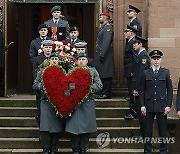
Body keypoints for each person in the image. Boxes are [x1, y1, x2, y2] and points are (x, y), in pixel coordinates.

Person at [65, 52, 103, 154]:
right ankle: (75, 149)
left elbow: (99, 85)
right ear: (76, 62)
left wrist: (86, 89)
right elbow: (66, 85)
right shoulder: (71, 71)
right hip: (74, 104)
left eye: (83, 59)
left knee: (85, 129)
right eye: (79, 60)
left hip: (87, 104)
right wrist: (73, 91)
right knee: (74, 128)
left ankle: (83, 149)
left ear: (87, 61)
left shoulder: (92, 71)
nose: (81, 61)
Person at [140, 50, 173, 154]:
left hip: (162, 106)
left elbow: (170, 90)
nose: (156, 61)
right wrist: (142, 105)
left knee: (162, 130)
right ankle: (147, 151)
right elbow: (141, 90)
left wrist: (168, 105)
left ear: (161, 60)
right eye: (154, 59)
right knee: (147, 131)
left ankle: (163, 150)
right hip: (148, 105)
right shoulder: (145, 73)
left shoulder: (165, 72)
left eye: (158, 59)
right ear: (151, 60)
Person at [32, 52, 64, 154]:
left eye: (56, 59)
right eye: (52, 59)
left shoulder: (62, 72)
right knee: (45, 127)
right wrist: (43, 86)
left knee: (56, 126)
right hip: (45, 102)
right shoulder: (42, 72)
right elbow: (35, 85)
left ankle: (54, 149)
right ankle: (45, 149)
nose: (54, 61)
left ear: (58, 61)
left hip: (57, 103)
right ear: (49, 60)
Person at [132, 36, 150, 138]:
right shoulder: (140, 55)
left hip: (141, 89)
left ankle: (143, 134)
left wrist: (137, 89)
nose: (134, 45)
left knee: (142, 113)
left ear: (140, 44)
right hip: (140, 88)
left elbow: (141, 75)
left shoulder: (143, 57)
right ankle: (142, 133)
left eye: (135, 43)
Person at [33, 40, 54, 126]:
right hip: (41, 91)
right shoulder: (37, 59)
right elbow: (35, 74)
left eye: (49, 47)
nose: (48, 49)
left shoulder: (55, 58)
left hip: (53, 91)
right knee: (41, 113)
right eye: (46, 47)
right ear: (43, 48)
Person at [95, 11, 115, 99]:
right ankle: (103, 92)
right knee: (103, 73)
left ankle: (106, 93)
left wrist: (102, 54)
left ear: (104, 17)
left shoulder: (108, 28)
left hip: (105, 54)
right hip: (102, 53)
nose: (99, 18)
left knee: (106, 73)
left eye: (101, 17)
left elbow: (106, 42)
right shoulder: (103, 27)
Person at [123, 25, 138, 120]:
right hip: (129, 71)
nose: (124, 33)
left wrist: (133, 71)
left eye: (126, 31)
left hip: (132, 72)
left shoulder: (133, 43)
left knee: (133, 92)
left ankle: (134, 112)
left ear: (131, 32)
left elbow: (135, 59)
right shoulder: (129, 42)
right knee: (131, 92)